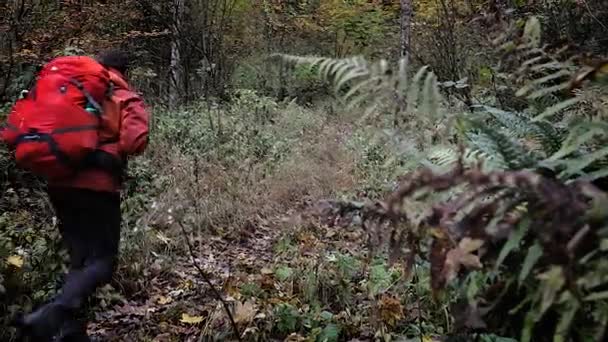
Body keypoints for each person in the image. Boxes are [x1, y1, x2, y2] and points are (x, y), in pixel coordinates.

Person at [16, 49, 150, 341]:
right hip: (97, 188)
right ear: (125, 72)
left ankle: (73, 333)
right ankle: (50, 316)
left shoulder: (75, 90)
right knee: (103, 261)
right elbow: (134, 141)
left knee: (80, 261)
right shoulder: (126, 97)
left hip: (59, 184)